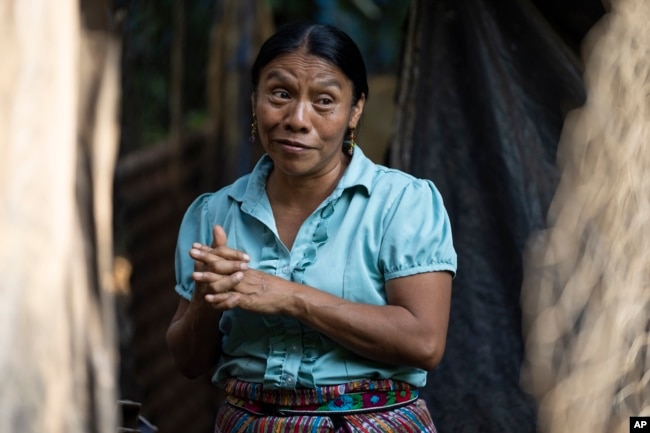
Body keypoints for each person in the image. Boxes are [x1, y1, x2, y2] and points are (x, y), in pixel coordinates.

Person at [166, 22, 457, 433]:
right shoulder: (214, 213)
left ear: (355, 110)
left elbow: (424, 342)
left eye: (324, 101)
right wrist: (206, 299)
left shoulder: (402, 204)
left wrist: (289, 297)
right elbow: (187, 362)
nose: (297, 119)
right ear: (254, 100)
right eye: (280, 94)